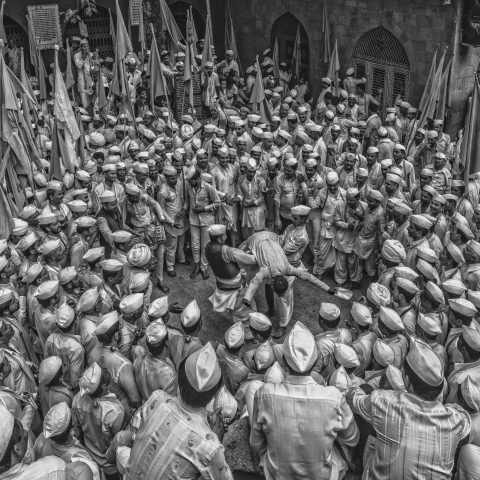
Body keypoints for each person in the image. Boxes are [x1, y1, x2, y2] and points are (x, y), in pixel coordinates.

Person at [347, 338, 471, 479]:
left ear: (407, 381)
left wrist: (353, 389)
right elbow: (465, 421)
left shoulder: (384, 402)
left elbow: (353, 399)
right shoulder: (455, 421)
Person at [250, 322, 359, 480]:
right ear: (315, 363)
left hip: (276, 474)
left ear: (284, 363)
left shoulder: (264, 393)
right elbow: (351, 439)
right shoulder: (333, 397)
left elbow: (256, 442)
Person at [125, 343, 233, 479]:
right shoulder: (209, 446)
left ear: (179, 379)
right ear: (214, 393)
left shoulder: (157, 399)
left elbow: (137, 434)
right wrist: (215, 437)